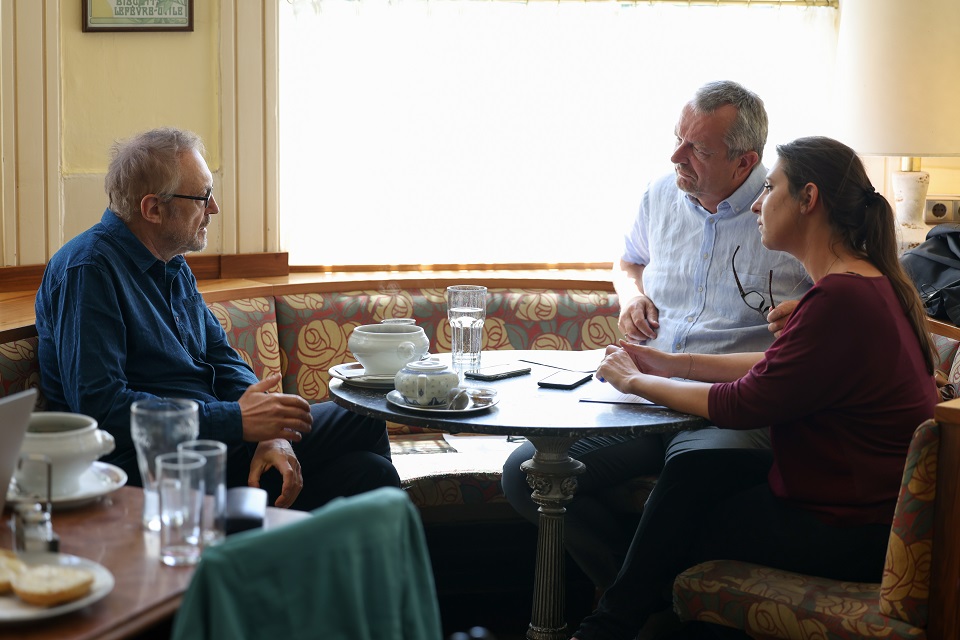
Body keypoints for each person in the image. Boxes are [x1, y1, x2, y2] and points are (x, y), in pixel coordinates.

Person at [571, 136, 939, 640]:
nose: (760, 202)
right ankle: (623, 619)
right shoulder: (862, 283)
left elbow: (742, 403)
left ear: (808, 199)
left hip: (847, 526)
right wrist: (671, 362)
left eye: (771, 188)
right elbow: (777, 365)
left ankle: (611, 625)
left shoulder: (840, 299)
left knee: (670, 534)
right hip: (853, 506)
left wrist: (637, 380)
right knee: (693, 475)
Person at [502, 80, 810, 591]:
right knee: (528, 471)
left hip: (728, 405)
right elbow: (628, 261)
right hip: (643, 397)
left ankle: (630, 606)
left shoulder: (785, 210)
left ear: (744, 162)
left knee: (689, 478)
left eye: (698, 149)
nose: (676, 156)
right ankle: (638, 601)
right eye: (677, 138)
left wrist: (807, 307)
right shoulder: (661, 193)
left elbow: (849, 296)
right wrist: (632, 297)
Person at [35, 127, 400, 511]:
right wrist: (236, 421)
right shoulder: (88, 269)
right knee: (365, 417)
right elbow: (103, 409)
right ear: (153, 209)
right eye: (202, 196)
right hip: (158, 469)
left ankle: (282, 563)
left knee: (372, 473)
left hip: (217, 444)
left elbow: (221, 358)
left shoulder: (171, 262)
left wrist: (269, 432)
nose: (214, 208)